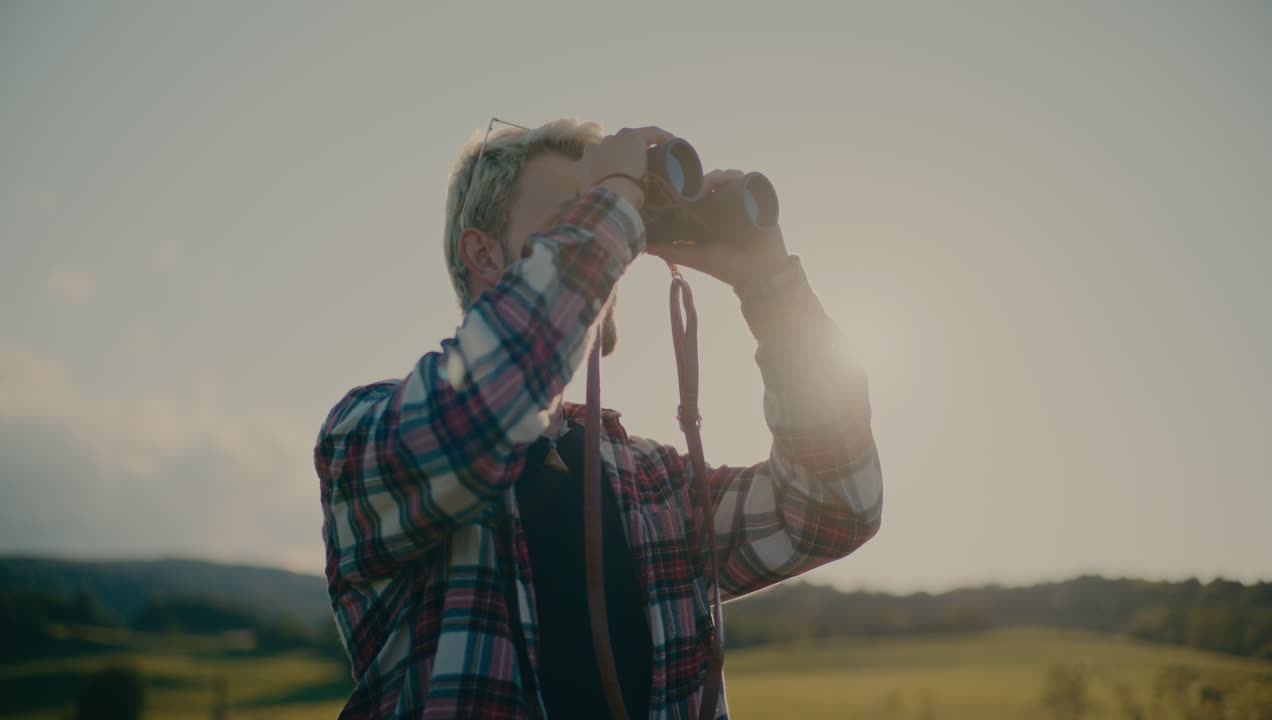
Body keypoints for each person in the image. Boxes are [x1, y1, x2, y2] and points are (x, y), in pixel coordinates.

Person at [314, 119, 883, 719]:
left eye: (616, 220)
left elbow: (835, 505)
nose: (615, 246)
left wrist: (768, 287)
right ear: (482, 253)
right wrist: (612, 192)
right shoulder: (364, 434)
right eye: (580, 214)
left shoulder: (650, 481)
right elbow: (484, 410)